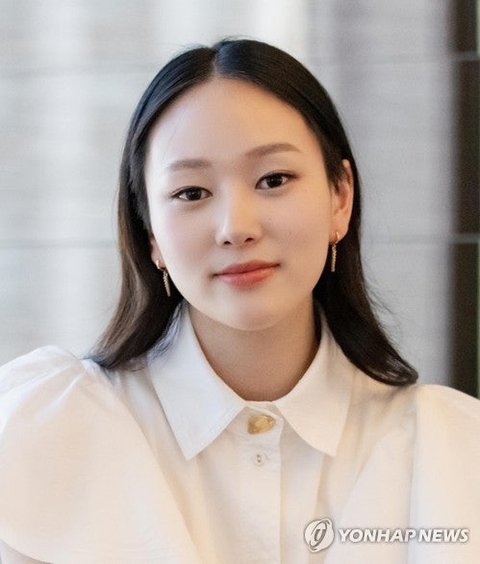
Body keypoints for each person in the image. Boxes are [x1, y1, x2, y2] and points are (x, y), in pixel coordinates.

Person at [0, 38, 478, 564]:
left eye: (274, 179)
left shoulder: (453, 453)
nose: (236, 227)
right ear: (150, 233)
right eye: (191, 193)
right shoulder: (43, 436)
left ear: (340, 197)